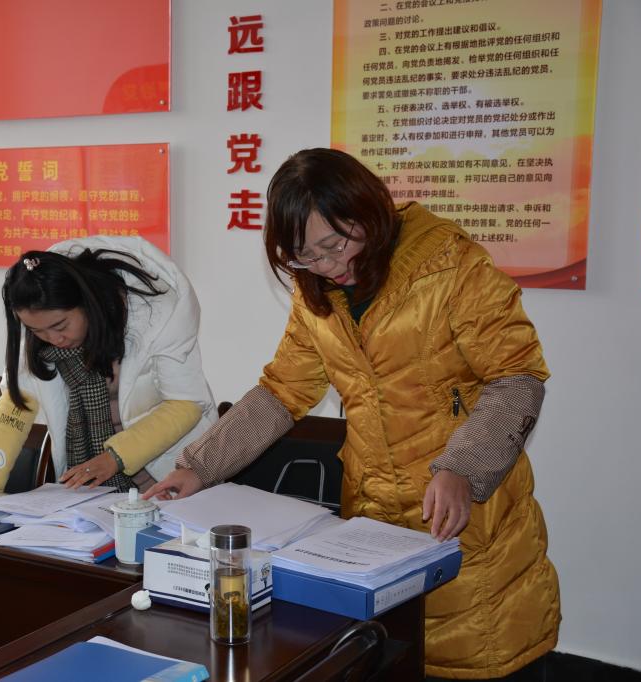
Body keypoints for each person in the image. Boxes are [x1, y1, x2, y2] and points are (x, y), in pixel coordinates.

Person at [145, 149, 560, 681]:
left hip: (466, 513)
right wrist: (199, 466)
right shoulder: (317, 295)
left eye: (335, 245)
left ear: (370, 212)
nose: (327, 266)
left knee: (476, 649)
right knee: (385, 656)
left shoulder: (451, 266)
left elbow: (517, 376)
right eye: (305, 256)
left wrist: (463, 468)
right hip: (372, 522)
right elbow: (282, 391)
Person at [0, 235, 217, 499]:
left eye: (60, 326)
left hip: (167, 474)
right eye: (37, 331)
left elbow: (185, 404)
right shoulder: (41, 319)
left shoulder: (156, 316)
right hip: (91, 485)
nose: (53, 339)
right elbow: (19, 401)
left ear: (87, 303)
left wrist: (116, 457)